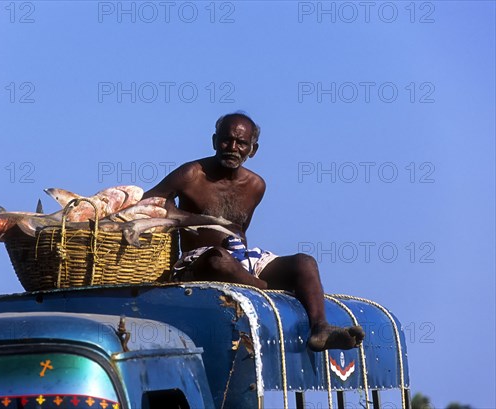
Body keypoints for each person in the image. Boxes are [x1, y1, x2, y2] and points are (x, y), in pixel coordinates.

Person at [143, 113, 365, 351]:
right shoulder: (192, 174)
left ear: (253, 149)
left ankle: (320, 328)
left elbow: (239, 232)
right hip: (202, 260)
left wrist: (243, 262)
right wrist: (190, 219)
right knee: (219, 259)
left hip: (241, 260)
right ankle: (262, 288)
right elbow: (149, 201)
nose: (233, 148)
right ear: (214, 141)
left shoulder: (256, 185)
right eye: (226, 140)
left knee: (304, 262)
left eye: (241, 143)